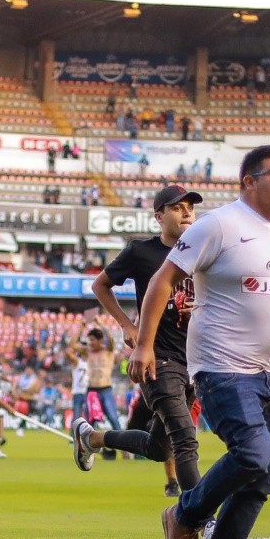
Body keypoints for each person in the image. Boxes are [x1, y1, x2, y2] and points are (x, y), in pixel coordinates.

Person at [128, 144, 270, 539]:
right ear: (249, 181)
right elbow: (162, 280)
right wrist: (145, 345)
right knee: (252, 455)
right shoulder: (219, 225)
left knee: (265, 474)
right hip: (222, 366)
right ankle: (185, 513)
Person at [73, 184, 205, 498]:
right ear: (159, 216)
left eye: (190, 206)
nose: (186, 211)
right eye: (177, 207)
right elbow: (100, 285)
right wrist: (126, 325)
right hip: (157, 358)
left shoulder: (204, 253)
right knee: (186, 438)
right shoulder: (141, 251)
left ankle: (91, 439)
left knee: (159, 447)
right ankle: (202, 520)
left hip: (194, 362)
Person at [66, 317, 121, 432]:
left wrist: (100, 324)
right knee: (90, 421)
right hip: (91, 390)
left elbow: (110, 339)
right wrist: (81, 327)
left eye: (92, 340)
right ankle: (90, 446)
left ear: (100, 340)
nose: (90, 342)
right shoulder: (87, 351)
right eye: (89, 340)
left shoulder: (108, 351)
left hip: (105, 389)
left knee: (113, 417)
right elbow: (72, 345)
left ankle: (123, 446)